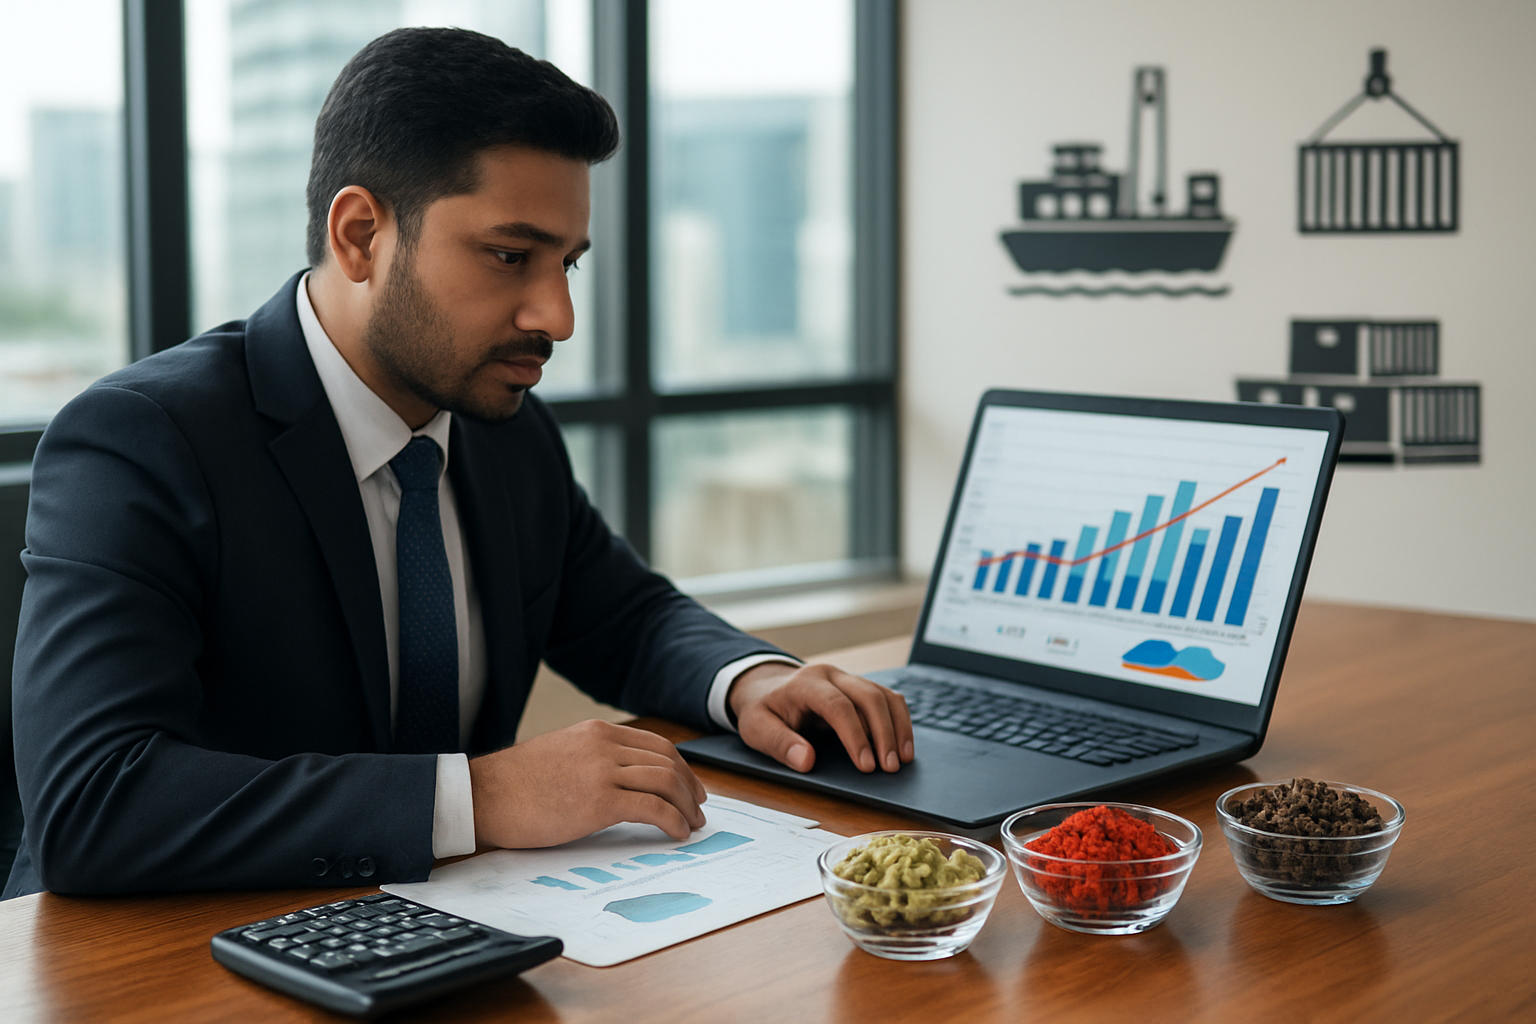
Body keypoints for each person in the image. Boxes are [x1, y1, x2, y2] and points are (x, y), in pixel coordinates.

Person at [2, 28, 911, 899]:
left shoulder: (502, 428)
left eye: (568, 264)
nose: (557, 317)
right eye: (510, 256)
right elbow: (95, 801)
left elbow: (624, 617)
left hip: (445, 933)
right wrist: (480, 797)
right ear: (360, 235)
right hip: (168, 962)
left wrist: (751, 680)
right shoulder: (142, 441)